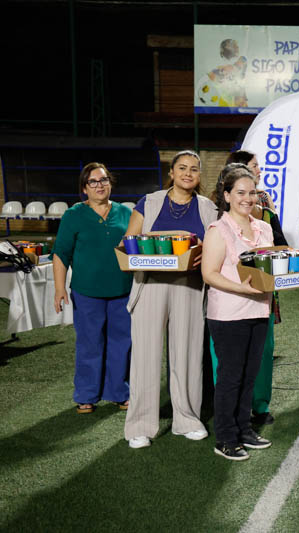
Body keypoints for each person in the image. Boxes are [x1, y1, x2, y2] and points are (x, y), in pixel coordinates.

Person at [124, 150, 218, 449]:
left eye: (193, 169)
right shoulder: (149, 202)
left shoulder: (207, 208)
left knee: (188, 355)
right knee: (145, 357)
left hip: (189, 287)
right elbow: (128, 242)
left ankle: (187, 419)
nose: (188, 173)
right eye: (182, 168)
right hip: (150, 284)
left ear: (199, 175)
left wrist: (200, 249)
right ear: (172, 172)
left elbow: (214, 248)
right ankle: (140, 426)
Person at [206, 150, 284, 426]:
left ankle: (245, 428)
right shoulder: (218, 229)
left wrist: (291, 276)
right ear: (226, 195)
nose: (247, 199)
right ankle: (227, 436)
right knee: (231, 377)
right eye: (240, 193)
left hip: (259, 310)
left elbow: (274, 264)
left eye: (251, 193)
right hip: (228, 313)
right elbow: (209, 274)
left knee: (251, 373)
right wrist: (244, 289)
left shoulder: (264, 227)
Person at [53, 162, 133, 414]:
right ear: (84, 188)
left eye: (104, 180)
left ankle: (119, 392)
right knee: (90, 343)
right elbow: (60, 254)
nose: (100, 185)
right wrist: (59, 288)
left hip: (123, 290)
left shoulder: (126, 213)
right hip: (87, 292)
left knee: (122, 343)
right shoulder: (74, 215)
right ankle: (87, 394)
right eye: (93, 182)